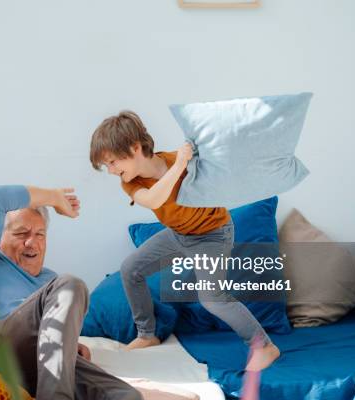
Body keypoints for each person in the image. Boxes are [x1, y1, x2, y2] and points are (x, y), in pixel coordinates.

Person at [89, 110, 280, 371]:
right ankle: (147, 334)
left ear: (135, 148)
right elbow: (154, 199)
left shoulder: (181, 162)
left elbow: (221, 170)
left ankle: (264, 346)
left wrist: (193, 157)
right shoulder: (131, 181)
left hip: (213, 234)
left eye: (112, 162)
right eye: (107, 166)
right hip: (180, 234)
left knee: (212, 298)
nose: (111, 171)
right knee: (131, 269)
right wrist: (179, 164)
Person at [0, 185, 144, 400]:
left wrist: (71, 345)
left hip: (41, 367)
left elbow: (57, 337)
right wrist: (55, 198)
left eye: (39, 234)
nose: (31, 242)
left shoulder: (50, 281)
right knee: (70, 285)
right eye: (20, 233)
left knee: (128, 399)